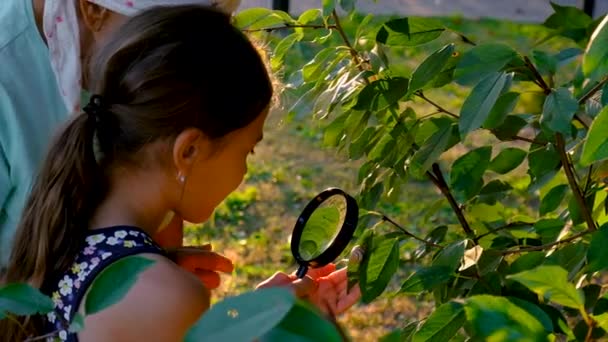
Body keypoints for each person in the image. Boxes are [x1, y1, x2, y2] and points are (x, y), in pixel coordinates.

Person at [1, 5, 361, 341]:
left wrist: (252, 313)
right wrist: (307, 327)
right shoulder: (166, 295)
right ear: (187, 151)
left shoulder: (69, 219)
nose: (244, 172)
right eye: (246, 151)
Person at [0, 0, 239, 285]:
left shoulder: (156, 67)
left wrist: (145, 267)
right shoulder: (9, 75)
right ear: (93, 10)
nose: (183, 69)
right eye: (164, 37)